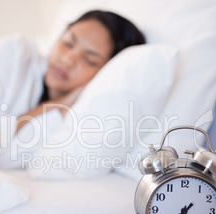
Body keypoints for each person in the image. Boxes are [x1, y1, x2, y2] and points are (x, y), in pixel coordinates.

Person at [15, 10, 146, 131]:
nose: (67, 60)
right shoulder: (17, 55)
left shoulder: (87, 122)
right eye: (68, 43)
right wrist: (59, 103)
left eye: (89, 60)